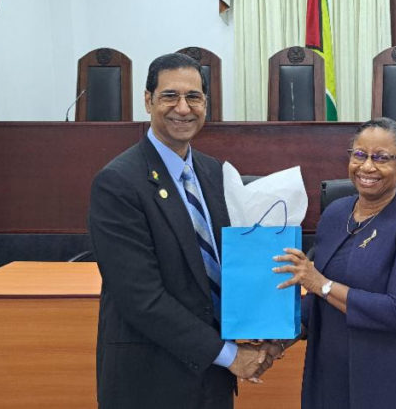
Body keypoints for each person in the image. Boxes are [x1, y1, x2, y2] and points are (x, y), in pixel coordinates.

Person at [89, 53, 272, 408]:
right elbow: (141, 299)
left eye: (193, 97)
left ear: (206, 103)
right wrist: (230, 355)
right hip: (151, 379)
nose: (183, 108)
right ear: (148, 101)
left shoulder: (214, 172)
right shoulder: (117, 183)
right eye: (170, 96)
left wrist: (266, 324)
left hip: (212, 379)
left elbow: (231, 264)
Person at [271, 117, 396, 409]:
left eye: (381, 158)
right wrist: (277, 341)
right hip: (331, 373)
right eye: (360, 155)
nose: (367, 166)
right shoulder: (335, 213)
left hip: (390, 377)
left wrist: (322, 285)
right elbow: (317, 301)